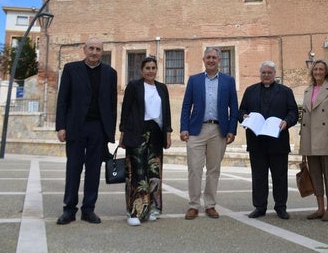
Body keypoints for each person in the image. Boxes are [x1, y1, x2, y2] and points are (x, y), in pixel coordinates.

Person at [55, 37, 118, 225]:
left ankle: (88, 209)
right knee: (73, 168)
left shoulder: (110, 73)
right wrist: (61, 126)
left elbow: (112, 105)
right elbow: (62, 100)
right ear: (84, 50)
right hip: (76, 126)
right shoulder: (71, 69)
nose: (94, 52)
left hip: (98, 128)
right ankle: (69, 209)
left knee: (93, 170)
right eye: (91, 48)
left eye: (98, 49)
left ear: (102, 52)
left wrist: (109, 132)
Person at [180, 47, 238, 220]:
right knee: (194, 169)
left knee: (214, 169)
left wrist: (231, 129)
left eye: (214, 57)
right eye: (208, 57)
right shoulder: (194, 80)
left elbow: (233, 107)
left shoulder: (228, 81)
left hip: (218, 130)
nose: (211, 60)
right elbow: (185, 106)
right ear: (203, 59)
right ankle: (194, 205)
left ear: (219, 60)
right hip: (196, 130)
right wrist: (184, 127)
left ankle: (210, 205)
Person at [238, 61, 298, 220]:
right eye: (263, 72)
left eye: (269, 72)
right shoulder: (250, 91)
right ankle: (259, 206)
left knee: (280, 176)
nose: (266, 75)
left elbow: (293, 112)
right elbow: (242, 109)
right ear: (260, 74)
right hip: (256, 141)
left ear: (274, 74)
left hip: (278, 141)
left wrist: (287, 121)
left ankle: (280, 207)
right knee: (258, 176)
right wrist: (243, 117)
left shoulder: (285, 91)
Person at [119, 56, 172, 226]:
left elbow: (167, 112)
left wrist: (168, 133)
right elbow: (125, 110)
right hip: (137, 132)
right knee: (137, 173)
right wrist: (122, 133)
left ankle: (152, 208)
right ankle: (134, 211)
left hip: (156, 133)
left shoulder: (162, 88)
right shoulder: (134, 86)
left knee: (154, 172)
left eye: (153, 68)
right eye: (147, 68)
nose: (150, 71)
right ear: (141, 71)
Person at [299, 59, 328, 222]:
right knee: (315, 175)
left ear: (326, 72)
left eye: (321, 69)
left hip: (327, 137)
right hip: (310, 138)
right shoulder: (307, 90)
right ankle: (319, 208)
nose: (318, 72)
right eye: (315, 69)